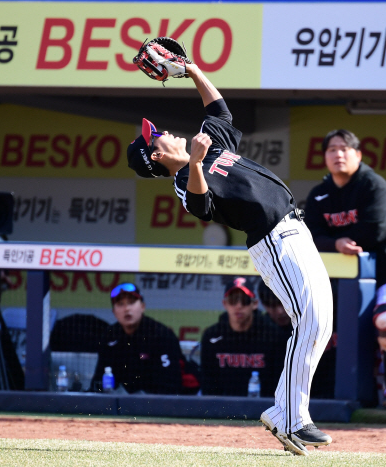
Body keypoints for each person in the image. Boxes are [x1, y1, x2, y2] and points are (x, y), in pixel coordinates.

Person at [126, 62, 333, 455]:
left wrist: (192, 69)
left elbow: (219, 110)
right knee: (310, 320)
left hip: (295, 229)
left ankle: (290, 413)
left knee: (320, 324)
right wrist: (196, 163)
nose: (164, 131)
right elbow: (202, 206)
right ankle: (288, 415)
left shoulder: (210, 147)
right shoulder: (184, 180)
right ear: (154, 155)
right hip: (274, 240)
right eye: (157, 136)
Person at [304, 129, 386, 408]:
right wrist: (336, 243)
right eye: (332, 149)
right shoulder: (320, 194)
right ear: (325, 157)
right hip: (347, 282)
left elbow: (376, 230)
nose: (338, 154)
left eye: (344, 149)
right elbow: (309, 235)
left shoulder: (373, 184)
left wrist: (341, 241)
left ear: (358, 155)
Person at [91, 283, 183, 394]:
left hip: (156, 404)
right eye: (120, 304)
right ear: (114, 312)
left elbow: (172, 383)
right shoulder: (109, 335)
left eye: (131, 303)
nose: (127, 309)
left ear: (142, 307)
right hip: (118, 405)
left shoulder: (162, 335)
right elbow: (99, 379)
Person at [200, 278, 285, 397]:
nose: (238, 306)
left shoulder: (273, 335)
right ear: (225, 304)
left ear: (254, 304)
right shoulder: (212, 337)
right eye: (233, 300)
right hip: (222, 408)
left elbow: (278, 383)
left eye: (245, 301)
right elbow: (208, 384)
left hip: (263, 408)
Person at [257, 280, 336, 399]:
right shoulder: (262, 330)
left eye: (283, 303)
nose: (280, 311)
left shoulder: (315, 324)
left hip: (319, 397)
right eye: (272, 305)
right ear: (263, 305)